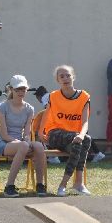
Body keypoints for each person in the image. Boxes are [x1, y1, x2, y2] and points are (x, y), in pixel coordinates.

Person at [41, 64, 94, 196]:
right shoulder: (53, 96)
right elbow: (46, 114)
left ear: (73, 77)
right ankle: (66, 185)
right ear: (58, 80)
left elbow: (85, 121)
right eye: (62, 76)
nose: (65, 78)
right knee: (82, 140)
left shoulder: (84, 97)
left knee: (83, 141)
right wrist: (40, 132)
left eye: (68, 75)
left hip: (74, 138)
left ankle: (76, 184)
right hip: (54, 134)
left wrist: (81, 135)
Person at [0, 74, 46, 195]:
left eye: (23, 89)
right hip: (5, 143)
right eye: (17, 89)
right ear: (11, 89)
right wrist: (22, 143)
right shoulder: (3, 107)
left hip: (21, 143)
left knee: (39, 146)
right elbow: (3, 135)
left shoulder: (29, 108)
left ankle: (40, 185)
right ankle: (9, 187)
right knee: (24, 146)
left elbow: (27, 131)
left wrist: (27, 141)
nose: (21, 92)